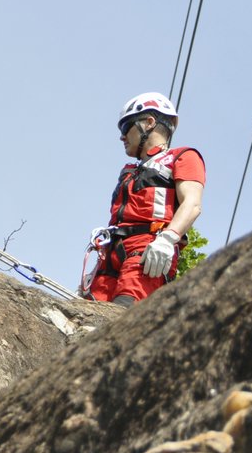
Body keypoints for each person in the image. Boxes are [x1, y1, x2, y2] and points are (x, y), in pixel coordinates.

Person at [84, 92, 205, 305]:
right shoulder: (131, 170)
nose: (122, 137)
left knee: (124, 310)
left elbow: (192, 204)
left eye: (125, 128)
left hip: (147, 249)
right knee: (87, 313)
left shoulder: (183, 157)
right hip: (111, 252)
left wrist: (168, 239)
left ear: (149, 123)